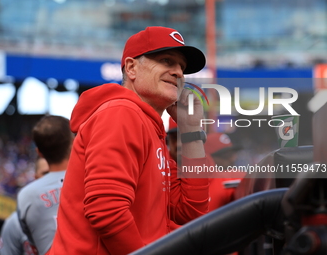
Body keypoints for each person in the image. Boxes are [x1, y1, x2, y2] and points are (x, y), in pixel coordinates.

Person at [49, 26, 210, 255]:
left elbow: (190, 210)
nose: (178, 73)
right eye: (166, 60)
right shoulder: (121, 113)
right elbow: (107, 212)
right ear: (132, 68)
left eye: (182, 67)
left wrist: (191, 131)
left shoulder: (149, 126)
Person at [17, 115, 74, 255]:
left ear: (39, 152)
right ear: (73, 144)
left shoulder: (26, 196)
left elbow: (33, 246)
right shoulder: (89, 179)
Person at [0, 157, 49, 255]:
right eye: (46, 173)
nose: (51, 179)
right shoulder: (15, 222)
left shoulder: (74, 214)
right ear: (36, 177)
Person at [204, 132, 245, 211]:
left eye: (232, 154)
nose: (232, 159)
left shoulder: (238, 174)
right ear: (208, 158)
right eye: (225, 156)